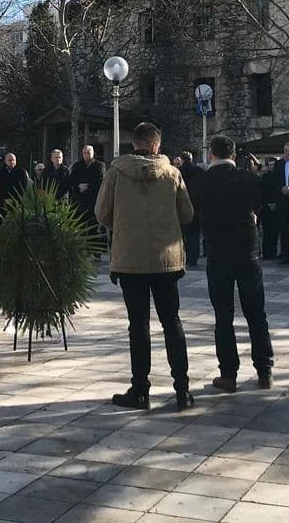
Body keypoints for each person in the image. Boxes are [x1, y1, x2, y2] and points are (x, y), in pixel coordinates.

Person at [96, 122, 195, 411]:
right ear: (155, 145)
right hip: (166, 260)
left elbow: (101, 212)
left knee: (138, 326)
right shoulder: (173, 173)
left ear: (135, 144)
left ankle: (140, 390)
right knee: (172, 322)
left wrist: (123, 226)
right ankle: (182, 389)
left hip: (130, 260)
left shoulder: (116, 172)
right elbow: (187, 214)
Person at [189, 135, 274, 392]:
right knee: (256, 313)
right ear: (234, 155)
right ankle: (264, 369)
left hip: (218, 252)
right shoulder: (247, 178)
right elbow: (257, 204)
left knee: (223, 317)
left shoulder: (201, 181)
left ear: (211, 154)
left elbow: (193, 213)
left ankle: (228, 374)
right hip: (247, 251)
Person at [265, 143, 289, 263]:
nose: (288, 152)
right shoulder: (279, 164)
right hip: (282, 200)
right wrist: (281, 188)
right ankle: (284, 254)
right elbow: (275, 180)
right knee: (284, 228)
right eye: (286, 150)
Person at [70, 145, 107, 252]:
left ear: (93, 153)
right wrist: (78, 187)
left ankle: (95, 252)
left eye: (88, 153)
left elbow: (101, 181)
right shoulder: (77, 166)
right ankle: (81, 251)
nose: (86, 155)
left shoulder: (99, 165)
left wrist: (88, 187)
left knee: (94, 228)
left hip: (93, 201)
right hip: (80, 202)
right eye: (84, 153)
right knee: (80, 228)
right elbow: (72, 180)